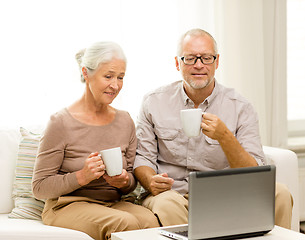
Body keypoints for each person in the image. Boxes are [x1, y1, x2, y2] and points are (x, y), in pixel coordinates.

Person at [133, 28, 293, 229]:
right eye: (190, 58)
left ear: (217, 62)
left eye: (206, 58)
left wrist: (225, 137)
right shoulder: (153, 102)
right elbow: (143, 157)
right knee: (168, 204)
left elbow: (255, 175)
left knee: (280, 193)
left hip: (223, 193)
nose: (199, 65)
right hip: (172, 194)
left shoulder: (240, 107)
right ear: (177, 63)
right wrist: (150, 181)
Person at [32, 41, 159, 240]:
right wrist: (82, 176)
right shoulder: (60, 122)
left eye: (120, 77)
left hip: (112, 203)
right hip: (67, 205)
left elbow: (132, 182)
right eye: (108, 76)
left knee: (152, 223)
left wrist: (124, 181)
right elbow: (39, 187)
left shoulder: (125, 121)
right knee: (126, 224)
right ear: (86, 73)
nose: (115, 85)